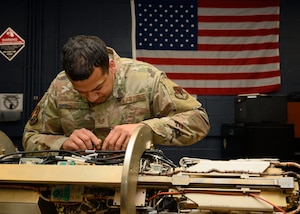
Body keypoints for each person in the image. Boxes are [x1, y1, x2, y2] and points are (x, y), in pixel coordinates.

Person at [22, 35, 210, 152]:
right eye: (81, 93)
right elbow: (30, 138)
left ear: (111, 66)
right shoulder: (60, 85)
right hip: (77, 186)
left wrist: (144, 129)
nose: (92, 98)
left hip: (134, 183)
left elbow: (199, 121)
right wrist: (62, 143)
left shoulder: (145, 78)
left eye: (98, 88)